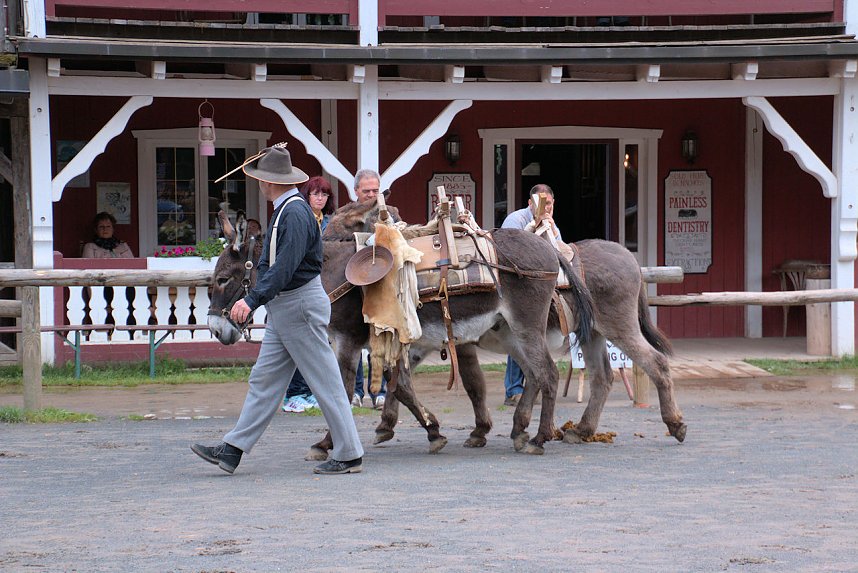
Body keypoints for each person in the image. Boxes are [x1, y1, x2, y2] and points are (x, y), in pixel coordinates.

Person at [191, 145, 364, 475]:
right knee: (264, 380)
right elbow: (273, 264)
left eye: (260, 178)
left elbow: (285, 267)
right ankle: (233, 449)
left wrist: (251, 300)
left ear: (267, 181)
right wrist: (259, 298)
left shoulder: (294, 213)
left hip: (298, 304)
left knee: (325, 382)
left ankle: (350, 453)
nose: (259, 182)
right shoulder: (287, 209)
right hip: (286, 306)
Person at [499, 184, 563, 406]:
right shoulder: (515, 220)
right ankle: (513, 389)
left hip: (540, 287)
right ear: (530, 203)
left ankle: (533, 386)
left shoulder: (551, 222)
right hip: (516, 287)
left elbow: (560, 251)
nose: (545, 207)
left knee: (536, 337)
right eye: (540, 203)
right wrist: (531, 229)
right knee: (520, 335)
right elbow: (507, 253)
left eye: (549, 204)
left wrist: (552, 230)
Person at [282, 176, 335, 413]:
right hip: (301, 287)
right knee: (299, 344)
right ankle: (294, 394)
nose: (320, 198)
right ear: (307, 196)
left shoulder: (332, 224)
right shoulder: (300, 218)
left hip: (327, 289)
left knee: (320, 345)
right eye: (315, 194)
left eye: (324, 194)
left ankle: (311, 392)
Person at [350, 169, 388, 410]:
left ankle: (379, 392)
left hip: (380, 288)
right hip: (351, 290)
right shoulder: (345, 217)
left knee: (379, 340)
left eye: (375, 190)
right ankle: (355, 392)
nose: (372, 195)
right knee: (353, 340)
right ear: (356, 191)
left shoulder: (388, 214)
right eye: (367, 191)